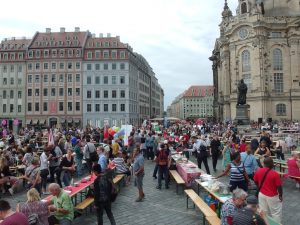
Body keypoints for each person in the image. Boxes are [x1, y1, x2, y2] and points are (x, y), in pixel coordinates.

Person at [254, 157, 283, 224]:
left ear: (264, 164)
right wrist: (280, 195)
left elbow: (255, 181)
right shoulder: (275, 174)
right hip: (272, 196)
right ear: (271, 164)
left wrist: (259, 187)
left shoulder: (259, 170)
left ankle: (264, 223)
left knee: (263, 212)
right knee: (276, 213)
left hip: (261, 194)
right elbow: (279, 186)